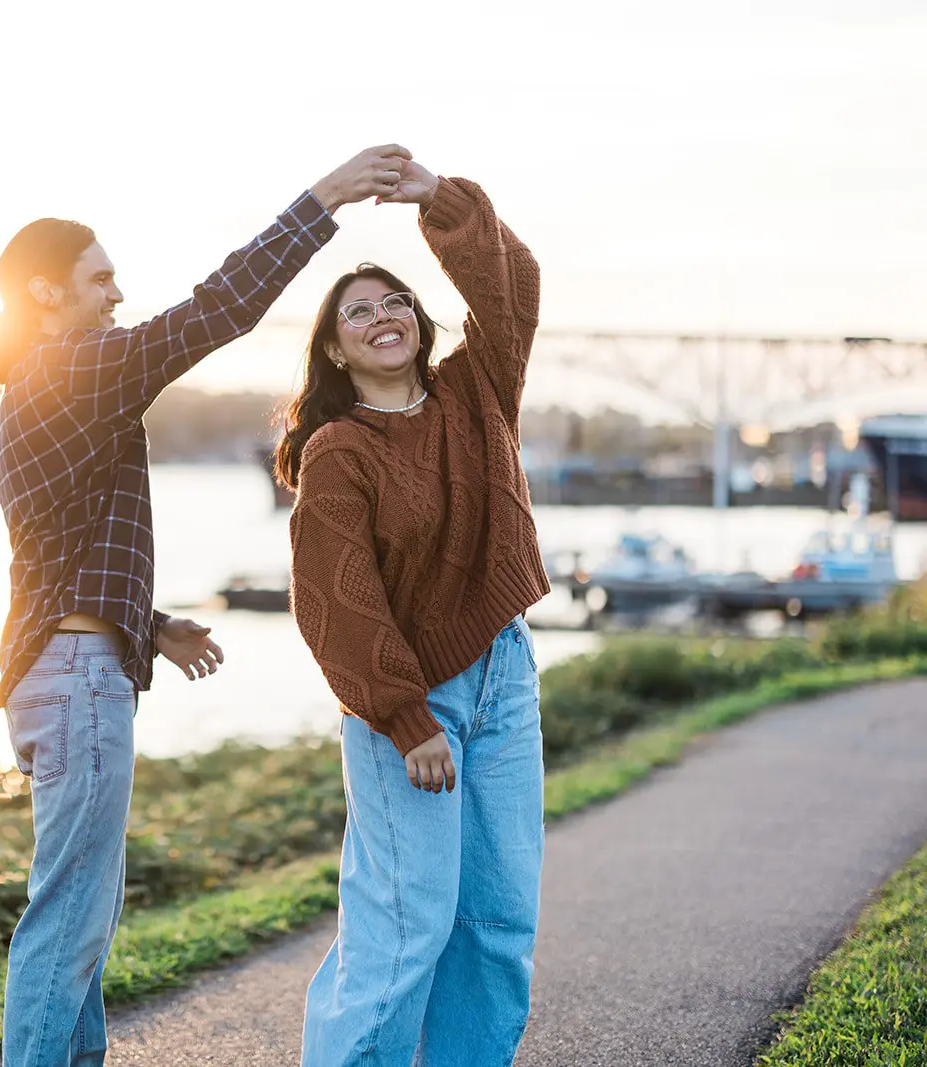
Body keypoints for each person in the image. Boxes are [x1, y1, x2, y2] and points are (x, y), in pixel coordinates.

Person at [0, 144, 415, 1067]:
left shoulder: (39, 387)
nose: (115, 295)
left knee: (79, 916)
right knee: (68, 918)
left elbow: (56, 550)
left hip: (61, 669)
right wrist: (325, 199)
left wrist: (148, 626)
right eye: (98, 280)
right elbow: (219, 308)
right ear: (47, 295)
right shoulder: (73, 368)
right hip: (77, 681)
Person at [276, 155, 549, 1065]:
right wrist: (405, 715)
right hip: (410, 708)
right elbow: (333, 598)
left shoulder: (480, 390)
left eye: (393, 299)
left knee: (498, 918)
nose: (381, 314)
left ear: (418, 321)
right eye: (358, 310)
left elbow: (514, 288)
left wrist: (441, 200)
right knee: (402, 934)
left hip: (505, 673)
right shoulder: (338, 451)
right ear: (333, 350)